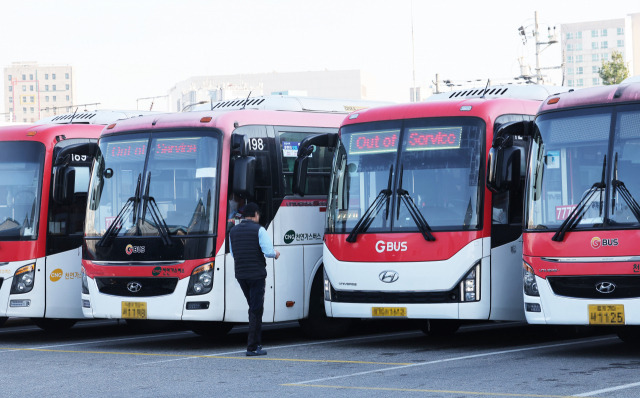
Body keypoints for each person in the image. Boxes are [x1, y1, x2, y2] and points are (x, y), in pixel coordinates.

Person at [229, 202, 280, 356]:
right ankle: (253, 346)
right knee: (256, 309)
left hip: (241, 275)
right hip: (256, 275)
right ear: (256, 214)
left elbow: (233, 254)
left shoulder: (233, 231)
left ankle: (254, 344)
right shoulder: (260, 230)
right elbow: (268, 252)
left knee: (253, 307)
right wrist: (276, 253)